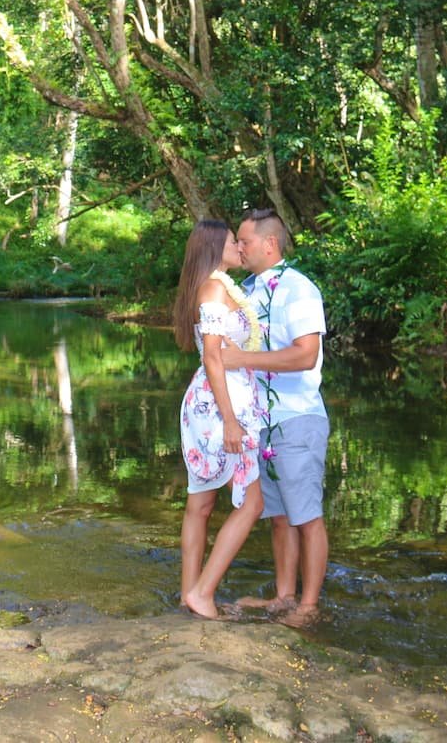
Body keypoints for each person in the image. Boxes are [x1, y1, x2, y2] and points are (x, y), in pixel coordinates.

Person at [221, 208, 329, 626]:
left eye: (244, 241)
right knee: (279, 517)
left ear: (270, 244)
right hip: (258, 422)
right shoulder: (245, 291)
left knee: (307, 517)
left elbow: (306, 355)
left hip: (296, 418)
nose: (239, 248)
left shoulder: (299, 289)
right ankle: (284, 597)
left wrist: (241, 359)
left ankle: (309, 607)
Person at [173, 219, 267, 619]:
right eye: (233, 242)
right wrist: (230, 420)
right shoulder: (213, 289)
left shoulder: (217, 286)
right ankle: (203, 593)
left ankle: (188, 594)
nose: (240, 248)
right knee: (252, 503)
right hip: (220, 405)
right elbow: (212, 355)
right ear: (214, 247)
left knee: (201, 503)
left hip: (218, 399)